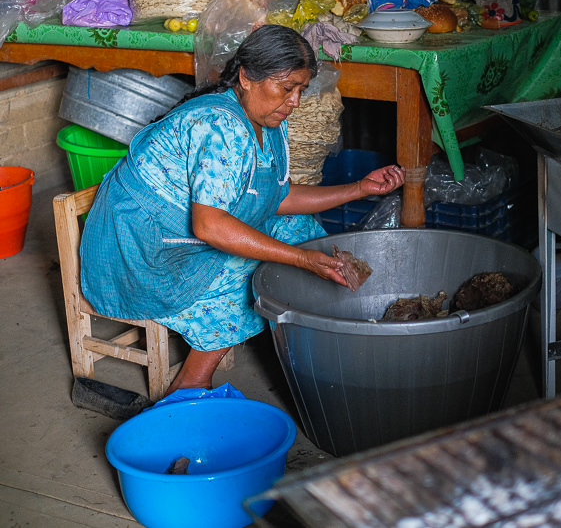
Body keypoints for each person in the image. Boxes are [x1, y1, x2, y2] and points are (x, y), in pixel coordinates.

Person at [80, 25, 405, 397]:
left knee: (299, 230)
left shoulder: (267, 119)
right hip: (139, 249)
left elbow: (276, 198)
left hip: (179, 230)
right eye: (286, 88)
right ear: (247, 78)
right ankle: (191, 383)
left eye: (301, 89)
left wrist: (360, 188)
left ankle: (320, 340)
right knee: (256, 272)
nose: (295, 102)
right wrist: (302, 260)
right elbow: (210, 227)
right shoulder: (220, 126)